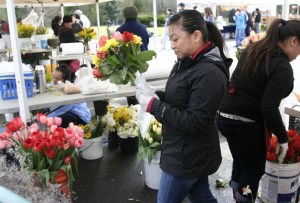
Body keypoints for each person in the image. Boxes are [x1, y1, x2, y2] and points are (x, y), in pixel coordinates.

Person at [135, 10, 232, 203]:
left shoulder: (208, 72)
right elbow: (181, 98)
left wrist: (156, 106)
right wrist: (157, 96)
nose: (171, 45)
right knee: (201, 196)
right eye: (170, 39)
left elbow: (195, 121)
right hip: (188, 151)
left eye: (175, 39)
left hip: (187, 157)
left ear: (196, 35)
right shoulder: (187, 61)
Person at [216, 19, 300, 202]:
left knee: (241, 163)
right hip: (244, 123)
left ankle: (238, 195)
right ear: (293, 41)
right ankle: (244, 199)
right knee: (253, 171)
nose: (299, 55)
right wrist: (283, 139)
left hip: (224, 116)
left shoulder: (254, 49)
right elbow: (268, 107)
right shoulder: (282, 66)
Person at [117, 5, 150, 106]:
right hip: (141, 61)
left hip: (126, 63)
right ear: (136, 14)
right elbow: (146, 42)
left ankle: (132, 106)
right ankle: (141, 106)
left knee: (130, 87)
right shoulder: (142, 28)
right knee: (140, 86)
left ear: (124, 15)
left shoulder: (120, 29)